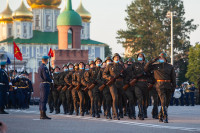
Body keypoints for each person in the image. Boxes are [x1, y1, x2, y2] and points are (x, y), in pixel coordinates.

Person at [144, 52, 176, 123]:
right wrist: (154, 60)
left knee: (167, 102)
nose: (161, 59)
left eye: (162, 57)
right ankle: (165, 116)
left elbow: (173, 78)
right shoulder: (155, 66)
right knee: (163, 100)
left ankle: (160, 115)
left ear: (165, 58)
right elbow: (146, 68)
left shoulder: (170, 66)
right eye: (160, 58)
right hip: (159, 84)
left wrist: (173, 87)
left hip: (168, 84)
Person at [103, 53, 125, 120]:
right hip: (112, 84)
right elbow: (104, 74)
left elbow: (125, 74)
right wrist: (109, 78)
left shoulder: (121, 66)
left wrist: (122, 76)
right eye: (115, 57)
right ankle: (116, 113)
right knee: (115, 97)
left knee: (119, 99)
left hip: (120, 84)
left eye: (118, 57)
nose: (117, 58)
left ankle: (117, 112)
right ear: (113, 58)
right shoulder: (110, 65)